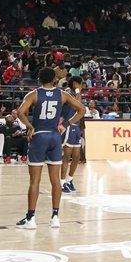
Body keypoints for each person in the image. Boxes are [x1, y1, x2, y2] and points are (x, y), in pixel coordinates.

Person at [14, 67, 84, 229]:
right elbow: (82, 109)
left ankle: (31, 219)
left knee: (35, 181)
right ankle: (55, 217)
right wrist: (65, 124)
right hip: (54, 137)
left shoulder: (33, 94)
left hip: (39, 136)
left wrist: (30, 127)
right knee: (55, 181)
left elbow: (20, 112)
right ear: (54, 80)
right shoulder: (63, 94)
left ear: (39, 79)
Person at [61, 76, 85, 193]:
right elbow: (77, 105)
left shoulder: (76, 93)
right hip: (68, 125)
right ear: (75, 83)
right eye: (79, 84)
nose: (81, 86)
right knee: (66, 156)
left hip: (76, 126)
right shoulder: (67, 93)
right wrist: (78, 91)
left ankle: (69, 180)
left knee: (77, 157)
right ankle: (61, 183)